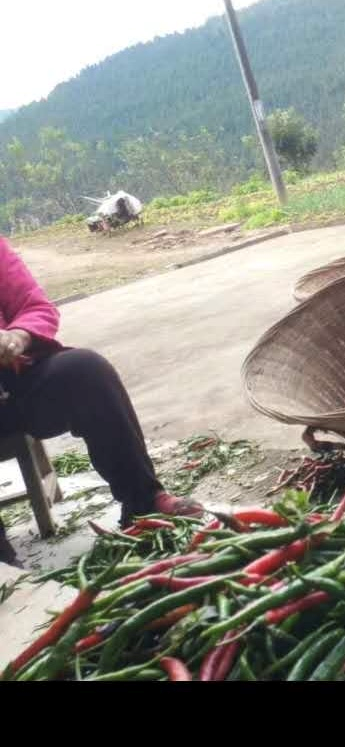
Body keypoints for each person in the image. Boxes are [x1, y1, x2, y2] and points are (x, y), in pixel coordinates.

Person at [0, 236, 202, 566]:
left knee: (85, 370)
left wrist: (17, 337)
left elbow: (35, 307)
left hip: (15, 380)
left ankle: (142, 501)